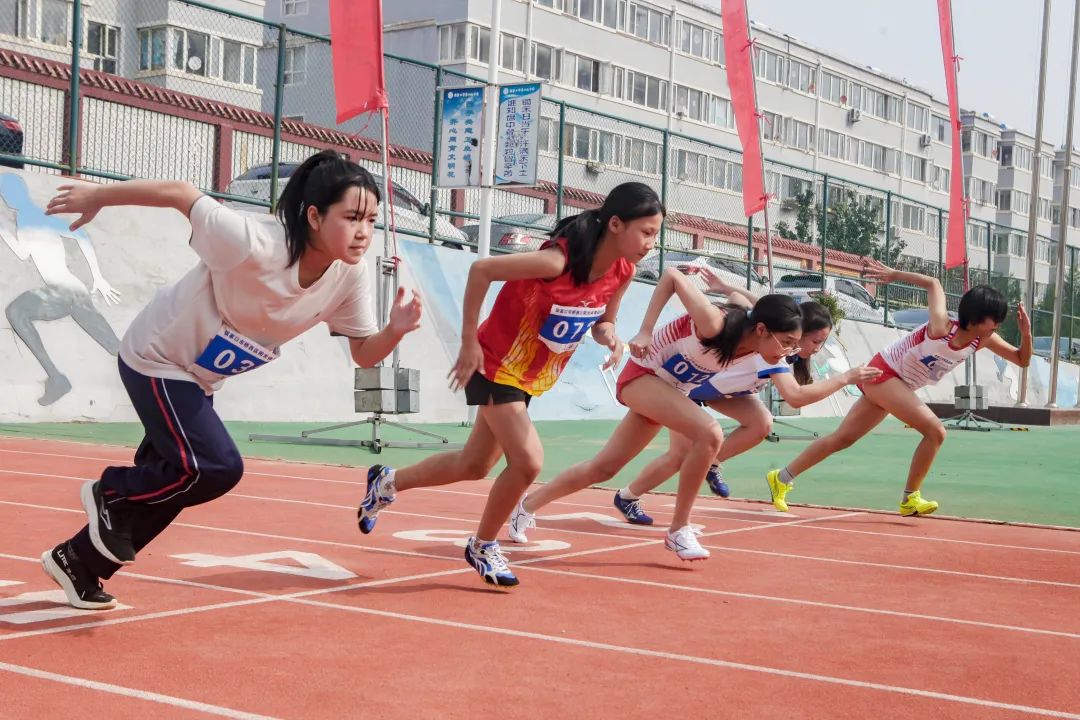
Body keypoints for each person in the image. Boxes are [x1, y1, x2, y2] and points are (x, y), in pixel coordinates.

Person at [39, 150, 422, 609]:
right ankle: (111, 490)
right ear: (315, 216)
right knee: (214, 467)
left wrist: (395, 330)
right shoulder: (254, 242)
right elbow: (181, 194)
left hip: (200, 377)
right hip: (157, 356)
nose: (364, 231)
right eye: (353, 217)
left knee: (178, 482)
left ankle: (79, 561)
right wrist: (100, 194)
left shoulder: (349, 276)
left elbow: (364, 354)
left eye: (372, 220)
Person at [356, 182, 663, 588]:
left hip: (532, 376)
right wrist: (467, 340)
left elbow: (603, 321)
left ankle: (386, 481)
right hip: (494, 364)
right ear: (616, 224)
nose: (650, 244)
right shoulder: (555, 262)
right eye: (646, 232)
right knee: (528, 461)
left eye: (656, 236)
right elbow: (482, 270)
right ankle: (482, 545)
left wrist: (610, 338)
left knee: (474, 465)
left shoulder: (622, 271)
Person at [507, 265, 803, 562]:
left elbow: (749, 299)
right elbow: (672, 275)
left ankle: (527, 505)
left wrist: (726, 287)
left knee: (604, 468)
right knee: (709, 432)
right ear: (763, 329)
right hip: (642, 377)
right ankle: (678, 530)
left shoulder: (757, 334)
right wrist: (646, 330)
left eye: (794, 345)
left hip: (671, 391)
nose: (788, 351)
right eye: (786, 343)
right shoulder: (714, 324)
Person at [766, 258, 1032, 516]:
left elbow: (1022, 360)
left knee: (842, 438)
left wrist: (1026, 335)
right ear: (976, 317)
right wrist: (894, 275)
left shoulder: (983, 340)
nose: (997, 324)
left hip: (898, 384)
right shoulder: (942, 327)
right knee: (935, 431)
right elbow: (933, 283)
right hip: (884, 372)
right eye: (994, 319)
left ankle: (782, 477)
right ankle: (910, 499)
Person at [611, 276, 880, 525]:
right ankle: (631, 497)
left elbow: (752, 302)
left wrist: (726, 287)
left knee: (762, 422)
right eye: (816, 341)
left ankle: (710, 464)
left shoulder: (777, 339)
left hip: (725, 392)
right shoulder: (772, 351)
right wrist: (846, 378)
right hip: (694, 386)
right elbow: (795, 397)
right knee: (678, 456)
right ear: (791, 331)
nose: (816, 349)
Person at [0, 172, 122, 405]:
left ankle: (57, 378)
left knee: (17, 311)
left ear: (22, 190)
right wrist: (3, 229)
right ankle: (57, 379)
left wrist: (98, 277)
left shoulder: (38, 216)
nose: (7, 198)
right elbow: (23, 253)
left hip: (66, 291)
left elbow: (82, 235)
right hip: (63, 292)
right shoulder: (24, 219)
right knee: (115, 348)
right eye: (4, 194)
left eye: (10, 191)